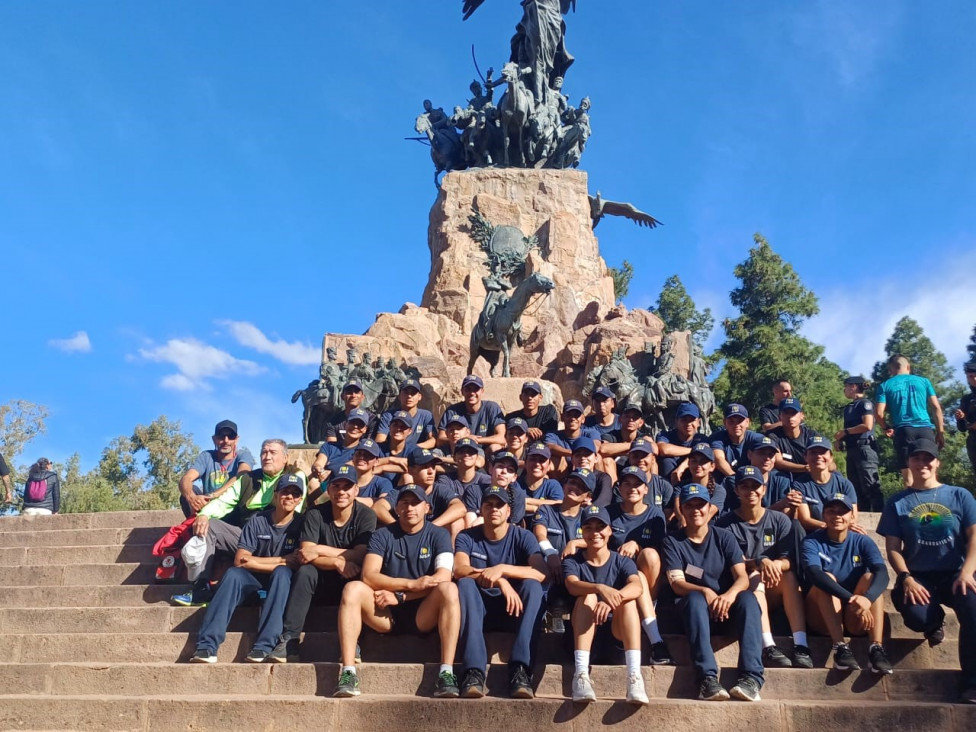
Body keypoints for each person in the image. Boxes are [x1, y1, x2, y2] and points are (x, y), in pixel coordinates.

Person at [334, 486, 461, 698]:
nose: (409, 508)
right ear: (396, 508)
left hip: (423, 612)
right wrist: (410, 585)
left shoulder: (439, 535)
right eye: (404, 503)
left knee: (449, 589)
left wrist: (401, 596)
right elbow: (368, 575)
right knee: (352, 588)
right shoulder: (382, 535)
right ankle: (348, 673)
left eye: (415, 503)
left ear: (427, 508)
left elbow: (443, 577)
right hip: (385, 613)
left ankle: (446, 673)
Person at [878, 438, 976, 703]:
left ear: (936, 463)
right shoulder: (898, 501)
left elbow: (973, 536)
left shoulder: (959, 495)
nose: (922, 463)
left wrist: (968, 572)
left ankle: (972, 683)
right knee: (917, 616)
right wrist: (906, 578)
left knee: (973, 610)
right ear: (909, 463)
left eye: (927, 458)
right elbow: (893, 548)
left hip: (956, 572)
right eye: (916, 458)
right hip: (918, 576)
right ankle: (933, 621)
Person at [172, 439, 305, 607]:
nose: (267, 457)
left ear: (285, 458)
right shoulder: (248, 479)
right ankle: (201, 588)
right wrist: (204, 515)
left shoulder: (295, 477)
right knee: (210, 525)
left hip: (280, 539)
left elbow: (296, 511)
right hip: (248, 538)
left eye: (273, 453)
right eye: (264, 452)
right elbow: (224, 502)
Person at [663, 483, 764, 702]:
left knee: (747, 598)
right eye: (690, 505)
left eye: (701, 504)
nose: (696, 510)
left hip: (725, 611)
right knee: (694, 598)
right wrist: (705, 590)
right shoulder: (672, 541)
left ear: (710, 508)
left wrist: (728, 596)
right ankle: (706, 679)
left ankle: (751, 678)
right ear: (682, 510)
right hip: (693, 614)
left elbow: (742, 577)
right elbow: (676, 583)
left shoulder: (723, 537)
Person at [189, 476, 304, 663]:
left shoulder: (302, 523)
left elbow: (296, 563)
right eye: (285, 492)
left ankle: (264, 646)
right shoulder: (258, 520)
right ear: (275, 495)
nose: (289, 497)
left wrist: (257, 562)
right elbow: (241, 561)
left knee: (282, 574)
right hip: (252, 581)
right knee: (234, 574)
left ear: (300, 499)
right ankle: (207, 646)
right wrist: (281, 560)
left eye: (295, 494)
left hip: (281, 585)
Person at [271, 465, 377, 662]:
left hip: (350, 580)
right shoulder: (315, 514)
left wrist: (320, 549)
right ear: (328, 489)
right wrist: (337, 562)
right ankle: (290, 640)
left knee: (363, 577)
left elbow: (361, 555)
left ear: (356, 490)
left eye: (347, 487)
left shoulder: (366, 515)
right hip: (320, 580)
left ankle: (353, 642)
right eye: (336, 486)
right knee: (305, 571)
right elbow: (305, 554)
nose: (341, 492)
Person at [455, 486, 548, 698]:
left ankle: (521, 669)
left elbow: (542, 573)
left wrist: (502, 570)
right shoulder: (467, 536)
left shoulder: (523, 536)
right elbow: (460, 569)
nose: (494, 509)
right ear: (481, 509)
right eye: (489, 504)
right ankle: (473, 671)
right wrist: (501, 582)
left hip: (513, 611)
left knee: (533, 586)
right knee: (465, 584)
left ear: (508, 511)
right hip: (479, 611)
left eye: (500, 505)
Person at [716, 466, 812, 669]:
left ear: (764, 490)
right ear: (737, 491)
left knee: (790, 576)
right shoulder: (725, 524)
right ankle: (768, 646)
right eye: (745, 486)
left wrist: (777, 563)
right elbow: (736, 563)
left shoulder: (779, 519)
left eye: (755, 486)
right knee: (754, 577)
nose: (751, 491)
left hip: (775, 585)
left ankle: (801, 645)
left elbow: (789, 559)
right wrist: (761, 561)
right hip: (745, 589)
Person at [563, 504, 649, 705]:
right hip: (581, 640)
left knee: (627, 603)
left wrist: (612, 601)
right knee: (588, 597)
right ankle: (581, 675)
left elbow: (637, 587)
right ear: (582, 532)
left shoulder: (621, 561)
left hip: (616, 635)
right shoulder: (573, 561)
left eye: (600, 527)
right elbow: (572, 585)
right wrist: (599, 588)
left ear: (610, 530)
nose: (595, 533)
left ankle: (634, 677)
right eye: (589, 527)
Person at [802, 494, 892, 674]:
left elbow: (882, 573)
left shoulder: (862, 541)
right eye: (831, 511)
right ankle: (840, 647)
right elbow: (814, 574)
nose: (837, 516)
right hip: (821, 616)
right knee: (826, 579)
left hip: (854, 616)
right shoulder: (811, 541)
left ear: (852, 516)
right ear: (823, 516)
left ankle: (876, 648)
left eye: (843, 512)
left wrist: (867, 599)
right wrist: (852, 599)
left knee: (869, 578)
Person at [608, 466, 672, 664]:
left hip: (644, 582)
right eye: (627, 483)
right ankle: (656, 642)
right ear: (619, 487)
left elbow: (660, 549)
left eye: (637, 484)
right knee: (638, 577)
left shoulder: (655, 514)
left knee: (649, 556)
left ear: (646, 489)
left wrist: (636, 544)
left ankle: (648, 607)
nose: (632, 488)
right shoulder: (608, 512)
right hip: (616, 578)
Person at [532, 467, 592, 630]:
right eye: (572, 482)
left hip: (577, 571)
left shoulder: (589, 516)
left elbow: (599, 539)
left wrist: (575, 543)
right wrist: (551, 554)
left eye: (581, 486)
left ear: (588, 496)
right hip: (550, 567)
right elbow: (540, 534)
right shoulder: (546, 509)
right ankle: (543, 618)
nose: (574, 487)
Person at [876, 354, 945, 487]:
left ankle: (913, 506)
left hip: (903, 431)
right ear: (908, 367)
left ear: (890, 370)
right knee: (930, 473)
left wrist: (886, 427)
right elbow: (936, 407)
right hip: (925, 430)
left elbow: (878, 413)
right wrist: (940, 432)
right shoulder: (924, 381)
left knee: (909, 476)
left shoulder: (885, 386)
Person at [373, 448, 466, 534]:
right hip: (406, 537)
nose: (431, 471)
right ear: (410, 470)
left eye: (433, 466)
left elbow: (460, 508)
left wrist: (430, 527)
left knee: (458, 522)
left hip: (431, 536)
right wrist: (399, 527)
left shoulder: (439, 489)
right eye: (425, 467)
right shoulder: (402, 491)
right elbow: (378, 507)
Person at [178, 420, 255, 518]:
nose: (226, 440)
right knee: (190, 490)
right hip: (207, 507)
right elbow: (186, 479)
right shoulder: (206, 456)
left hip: (232, 509)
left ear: (236, 439)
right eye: (221, 436)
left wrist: (214, 496)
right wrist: (192, 498)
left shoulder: (244, 455)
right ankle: (194, 525)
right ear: (214, 439)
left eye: (230, 436)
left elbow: (242, 475)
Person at [790, 436, 863, 534]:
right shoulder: (799, 485)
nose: (818, 456)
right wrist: (831, 527)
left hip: (841, 533)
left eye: (822, 452)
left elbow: (853, 517)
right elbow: (805, 520)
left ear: (831, 457)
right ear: (805, 457)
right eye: (813, 453)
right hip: (815, 536)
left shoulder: (844, 484)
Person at [833, 376, 883, 512]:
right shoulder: (849, 407)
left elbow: (867, 425)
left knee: (870, 485)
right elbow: (848, 430)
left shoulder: (865, 403)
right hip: (852, 449)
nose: (845, 390)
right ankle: (862, 516)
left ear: (853, 386)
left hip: (865, 449)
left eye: (846, 386)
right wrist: (840, 440)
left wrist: (845, 432)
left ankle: (879, 516)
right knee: (856, 488)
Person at [309, 408, 372, 498]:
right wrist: (318, 469)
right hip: (328, 486)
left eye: (360, 425)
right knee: (312, 482)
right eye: (352, 422)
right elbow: (319, 462)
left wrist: (333, 473)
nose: (355, 427)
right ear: (346, 424)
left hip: (349, 487)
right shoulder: (329, 446)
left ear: (365, 429)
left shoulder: (365, 450)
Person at [436, 375, 506, 452]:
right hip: (459, 451)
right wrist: (461, 440)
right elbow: (440, 439)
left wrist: (475, 440)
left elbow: (501, 438)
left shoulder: (492, 408)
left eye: (476, 389)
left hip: (484, 451)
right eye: (468, 389)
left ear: (482, 391)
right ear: (462, 391)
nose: (472, 393)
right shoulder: (452, 411)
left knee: (495, 448)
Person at [462, 450, 527, 527]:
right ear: (491, 469)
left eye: (510, 470)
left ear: (514, 477)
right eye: (500, 466)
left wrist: (484, 519)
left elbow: (514, 527)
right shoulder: (474, 491)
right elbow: (471, 525)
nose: (504, 471)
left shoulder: (518, 495)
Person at [375, 379, 436, 451]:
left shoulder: (426, 415)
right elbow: (380, 440)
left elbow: (433, 440)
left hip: (416, 453)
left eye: (413, 393)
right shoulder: (388, 415)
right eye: (406, 393)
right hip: (393, 452)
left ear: (419, 397)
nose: (409, 396)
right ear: (399, 396)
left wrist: (410, 449)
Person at [655, 402, 709, 481]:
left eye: (692, 420)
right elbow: (663, 449)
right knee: (667, 461)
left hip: (692, 479)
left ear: (699, 422)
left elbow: (704, 452)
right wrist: (694, 450)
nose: (688, 424)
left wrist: (682, 467)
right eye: (684, 420)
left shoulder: (701, 438)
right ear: (676, 421)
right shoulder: (665, 435)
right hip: (669, 479)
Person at [544, 400, 601, 471]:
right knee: (555, 458)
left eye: (576, 415)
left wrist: (580, 456)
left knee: (598, 457)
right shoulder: (553, 435)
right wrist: (572, 454)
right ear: (562, 417)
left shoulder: (591, 433)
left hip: (585, 466)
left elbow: (596, 445)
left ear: (583, 419)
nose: (572, 418)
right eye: (568, 415)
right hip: (564, 472)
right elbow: (550, 447)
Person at [770, 398, 820, 478]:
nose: (790, 416)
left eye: (793, 413)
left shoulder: (812, 435)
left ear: (802, 415)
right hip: (784, 478)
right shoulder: (773, 435)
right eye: (786, 413)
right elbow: (778, 462)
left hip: (810, 477)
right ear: (780, 417)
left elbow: (826, 460)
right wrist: (805, 468)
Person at [709, 404, 761, 478]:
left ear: (747, 422)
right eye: (731, 421)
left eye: (740, 421)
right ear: (724, 423)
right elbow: (718, 459)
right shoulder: (717, 438)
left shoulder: (756, 438)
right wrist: (735, 478)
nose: (736, 425)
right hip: (726, 480)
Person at [518, 442, 563, 521]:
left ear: (549, 465)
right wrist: (535, 508)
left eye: (542, 460)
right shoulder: (516, 483)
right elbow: (511, 503)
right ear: (525, 462)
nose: (537, 464)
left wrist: (525, 500)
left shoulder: (552, 485)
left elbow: (559, 504)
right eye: (533, 459)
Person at [956, 361, 976, 476]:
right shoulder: (966, 400)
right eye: (971, 376)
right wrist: (961, 418)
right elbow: (962, 428)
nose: (974, 379)